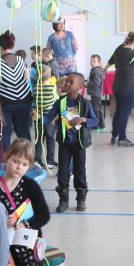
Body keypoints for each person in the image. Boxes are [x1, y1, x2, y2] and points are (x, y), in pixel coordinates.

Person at [46, 73, 98, 212]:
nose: (67, 84)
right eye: (67, 81)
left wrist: (84, 119)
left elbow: (95, 121)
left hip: (80, 144)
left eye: (71, 82)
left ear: (80, 87)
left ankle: (81, 199)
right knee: (63, 171)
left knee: (80, 170)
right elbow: (49, 117)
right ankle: (63, 199)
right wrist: (41, 120)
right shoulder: (60, 102)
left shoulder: (85, 103)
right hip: (65, 143)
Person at [0, 30, 33, 144]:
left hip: (6, 103)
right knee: (23, 130)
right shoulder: (21, 60)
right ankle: (27, 158)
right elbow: (27, 78)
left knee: (5, 132)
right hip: (24, 101)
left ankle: (4, 159)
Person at [32, 65, 59, 167]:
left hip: (38, 117)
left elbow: (35, 101)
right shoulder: (53, 88)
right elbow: (56, 101)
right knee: (50, 139)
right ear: (49, 76)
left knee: (39, 138)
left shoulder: (36, 89)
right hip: (50, 118)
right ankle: (50, 161)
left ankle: (37, 160)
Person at [87, 54, 106, 130]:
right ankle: (102, 125)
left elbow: (96, 83)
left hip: (95, 93)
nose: (92, 62)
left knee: (95, 110)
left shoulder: (95, 71)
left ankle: (96, 126)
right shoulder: (98, 70)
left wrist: (87, 84)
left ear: (99, 63)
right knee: (98, 109)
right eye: (91, 61)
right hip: (97, 93)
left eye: (94, 61)